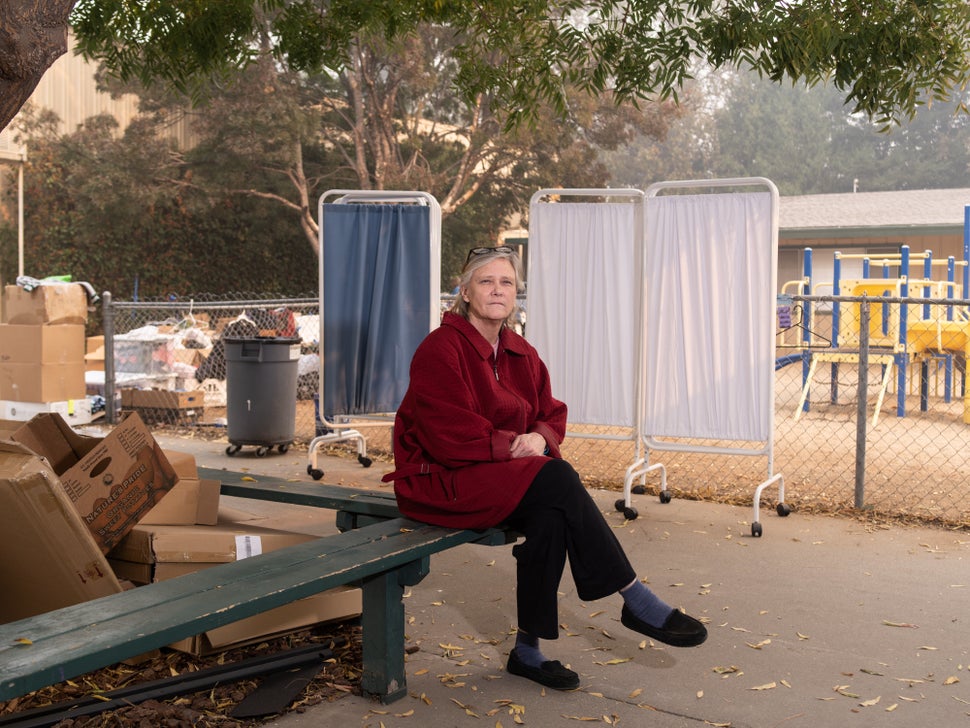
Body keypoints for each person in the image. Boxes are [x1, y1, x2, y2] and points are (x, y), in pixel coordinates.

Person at [381, 245, 706, 691]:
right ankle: (633, 595)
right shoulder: (441, 349)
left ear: (516, 294)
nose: (497, 290)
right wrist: (513, 446)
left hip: (496, 476)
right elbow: (447, 436)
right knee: (556, 477)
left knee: (552, 513)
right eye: (486, 281)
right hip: (440, 480)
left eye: (507, 282)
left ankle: (527, 651)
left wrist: (539, 438)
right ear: (465, 291)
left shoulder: (521, 352)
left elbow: (552, 412)